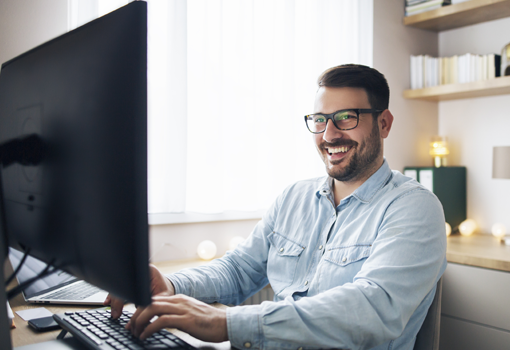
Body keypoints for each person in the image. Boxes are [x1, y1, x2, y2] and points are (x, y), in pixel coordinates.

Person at [105, 64, 447, 350]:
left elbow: (374, 308)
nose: (328, 135)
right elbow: (238, 270)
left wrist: (227, 322)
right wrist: (171, 285)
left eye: (346, 117)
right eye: (320, 119)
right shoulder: (293, 198)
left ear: (383, 123)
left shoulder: (414, 208)